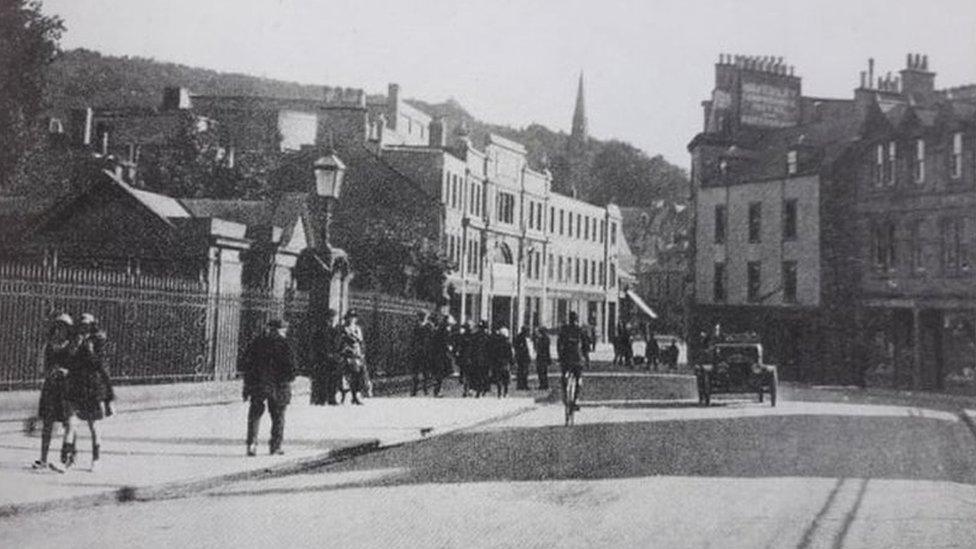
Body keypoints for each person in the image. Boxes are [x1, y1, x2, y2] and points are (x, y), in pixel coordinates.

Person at [61, 313, 113, 471]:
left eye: (87, 325)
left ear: (92, 325)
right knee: (71, 423)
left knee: (94, 425)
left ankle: (96, 459)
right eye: (82, 325)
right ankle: (66, 461)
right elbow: (71, 362)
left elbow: (102, 367)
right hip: (78, 387)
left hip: (93, 388)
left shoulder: (98, 342)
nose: (84, 328)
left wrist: (108, 398)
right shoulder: (76, 341)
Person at [242, 319, 295, 456]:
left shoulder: (257, 342)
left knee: (255, 414)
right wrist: (289, 378)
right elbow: (291, 367)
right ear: (280, 330)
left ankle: (251, 445)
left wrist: (248, 384)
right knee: (278, 416)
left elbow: (246, 363)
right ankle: (275, 446)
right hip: (279, 385)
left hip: (259, 384)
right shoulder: (285, 344)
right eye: (283, 330)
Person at [32, 313, 74, 473]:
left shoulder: (72, 347)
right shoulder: (49, 346)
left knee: (68, 423)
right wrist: (49, 372)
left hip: (66, 388)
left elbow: (77, 368)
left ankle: (66, 459)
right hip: (51, 388)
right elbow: (42, 367)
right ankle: (43, 459)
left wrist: (67, 371)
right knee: (48, 424)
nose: (60, 330)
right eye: (58, 326)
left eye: (63, 327)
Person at [557, 311, 590, 411]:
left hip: (566, 358)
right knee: (579, 379)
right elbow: (585, 347)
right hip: (577, 359)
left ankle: (565, 395)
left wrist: (560, 356)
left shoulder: (564, 329)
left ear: (569, 319)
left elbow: (559, 344)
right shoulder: (581, 330)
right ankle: (575, 400)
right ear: (577, 319)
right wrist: (587, 359)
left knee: (564, 377)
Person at [310, 309, 339, 406]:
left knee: (333, 378)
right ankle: (322, 398)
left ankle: (332, 398)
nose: (333, 320)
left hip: (334, 358)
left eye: (334, 318)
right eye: (332, 318)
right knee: (323, 378)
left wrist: (336, 354)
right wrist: (325, 354)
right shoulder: (320, 330)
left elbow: (337, 344)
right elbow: (317, 345)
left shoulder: (335, 330)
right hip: (323, 358)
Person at [338, 309, 367, 405]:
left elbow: (361, 341)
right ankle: (344, 396)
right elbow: (341, 341)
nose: (352, 319)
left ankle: (355, 396)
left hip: (356, 355)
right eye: (350, 317)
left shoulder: (357, 329)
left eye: (354, 317)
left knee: (357, 376)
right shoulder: (343, 328)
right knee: (345, 376)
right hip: (347, 354)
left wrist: (362, 353)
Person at [430, 314, 455, 397]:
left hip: (437, 353)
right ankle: (437, 390)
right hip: (440, 354)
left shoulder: (440, 329)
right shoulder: (444, 330)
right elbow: (445, 342)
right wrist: (449, 347)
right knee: (440, 372)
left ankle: (436, 389)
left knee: (439, 372)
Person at [409, 311, 433, 396]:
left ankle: (423, 389)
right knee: (418, 371)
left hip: (423, 352)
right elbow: (413, 338)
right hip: (419, 351)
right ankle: (416, 389)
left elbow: (431, 339)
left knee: (423, 372)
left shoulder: (427, 326)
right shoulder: (424, 326)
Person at [487, 326, 513, 398]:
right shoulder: (508, 343)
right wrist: (511, 362)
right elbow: (510, 354)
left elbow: (493, 353)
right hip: (505, 362)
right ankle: (506, 392)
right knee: (506, 378)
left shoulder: (496, 343)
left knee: (499, 378)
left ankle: (499, 393)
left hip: (498, 362)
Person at [469, 320, 491, 397]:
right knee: (484, 375)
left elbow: (471, 348)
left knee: (476, 375)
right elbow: (490, 349)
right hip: (485, 360)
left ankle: (477, 390)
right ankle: (483, 390)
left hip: (475, 359)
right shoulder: (487, 337)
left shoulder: (474, 336)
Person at [532, 325, 551, 390]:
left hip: (541, 357)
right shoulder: (546, 339)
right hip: (544, 356)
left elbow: (540, 348)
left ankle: (543, 385)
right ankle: (544, 385)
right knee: (543, 371)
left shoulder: (542, 339)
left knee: (541, 371)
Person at [513, 325, 532, 390]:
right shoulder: (522, 338)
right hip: (523, 357)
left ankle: (521, 385)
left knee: (521, 371)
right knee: (523, 371)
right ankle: (523, 385)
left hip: (521, 357)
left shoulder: (520, 337)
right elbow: (523, 348)